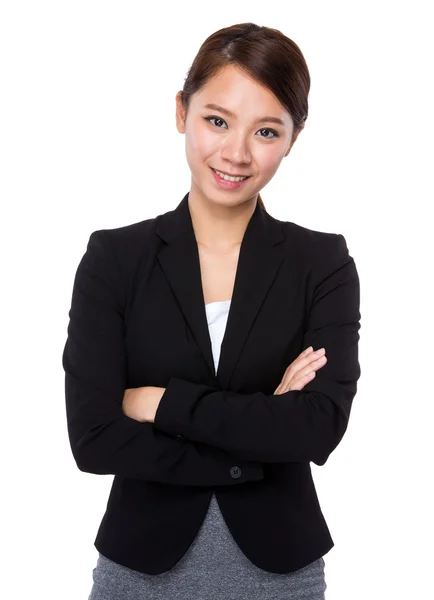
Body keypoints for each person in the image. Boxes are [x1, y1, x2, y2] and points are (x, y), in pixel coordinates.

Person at [62, 22, 361, 600]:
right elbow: (94, 438)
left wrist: (160, 402)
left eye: (267, 130)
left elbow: (318, 426)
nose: (236, 153)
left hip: (281, 573)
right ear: (181, 111)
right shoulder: (114, 259)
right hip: (140, 572)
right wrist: (262, 426)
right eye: (216, 120)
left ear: (293, 138)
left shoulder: (321, 262)